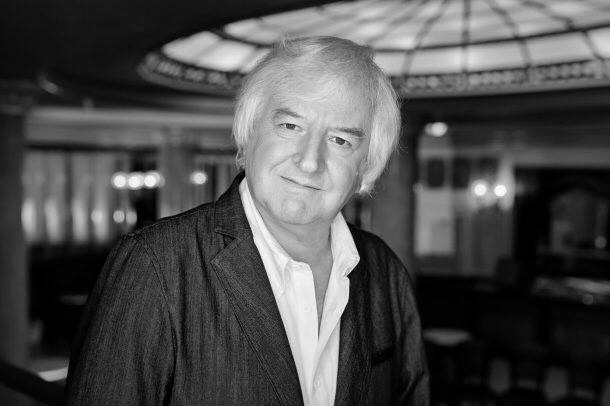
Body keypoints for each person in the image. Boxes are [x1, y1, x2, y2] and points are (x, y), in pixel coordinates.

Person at [65, 36, 429, 405]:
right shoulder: (155, 265)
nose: (309, 162)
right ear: (249, 131)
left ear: (366, 165)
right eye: (290, 126)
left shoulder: (385, 271)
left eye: (340, 141)